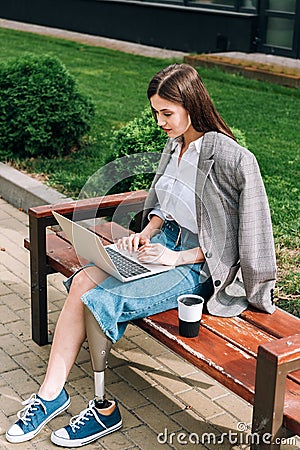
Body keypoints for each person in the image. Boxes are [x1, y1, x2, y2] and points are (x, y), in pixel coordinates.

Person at [6, 63, 276, 447]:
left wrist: (176, 258)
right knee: (83, 279)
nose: (160, 121)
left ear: (192, 105)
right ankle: (52, 395)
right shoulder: (174, 145)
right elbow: (167, 203)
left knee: (100, 301)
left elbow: (242, 236)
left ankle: (103, 410)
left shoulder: (234, 159)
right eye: (156, 113)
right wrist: (146, 233)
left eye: (167, 113)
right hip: (159, 244)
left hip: (196, 266)